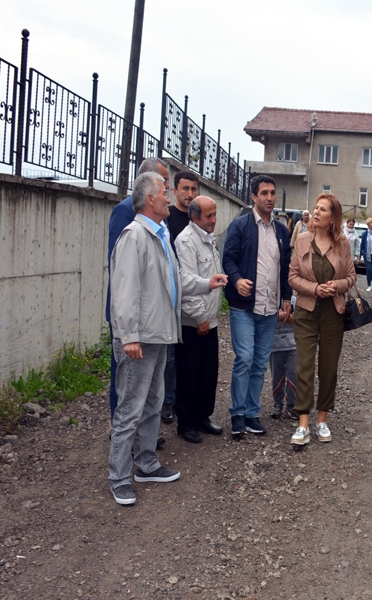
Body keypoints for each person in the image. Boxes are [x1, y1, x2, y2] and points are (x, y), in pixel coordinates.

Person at [109, 172, 227, 505]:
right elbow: (124, 291)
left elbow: (177, 281)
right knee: (130, 409)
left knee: (151, 404)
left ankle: (146, 463)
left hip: (159, 335)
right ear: (149, 199)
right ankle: (119, 477)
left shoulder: (158, 234)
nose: (169, 196)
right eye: (163, 191)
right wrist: (129, 335)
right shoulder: (134, 237)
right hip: (140, 340)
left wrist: (208, 282)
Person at [106, 157, 170, 450]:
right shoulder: (128, 219)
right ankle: (124, 455)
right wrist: (128, 332)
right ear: (148, 192)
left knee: (152, 396)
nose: (169, 190)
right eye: (164, 184)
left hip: (152, 324)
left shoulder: (159, 225)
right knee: (130, 394)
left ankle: (145, 453)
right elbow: (126, 279)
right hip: (134, 324)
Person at [223, 175, 292, 436]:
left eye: (273, 192)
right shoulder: (240, 226)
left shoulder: (281, 231)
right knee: (244, 359)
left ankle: (252, 413)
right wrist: (238, 280)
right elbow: (228, 259)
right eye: (264, 193)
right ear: (254, 197)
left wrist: (286, 299)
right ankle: (237, 414)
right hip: (244, 307)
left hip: (270, 308)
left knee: (260, 362)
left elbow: (285, 269)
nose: (270, 198)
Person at [288, 193, 356, 445]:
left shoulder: (343, 244)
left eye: (322, 210)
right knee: (304, 366)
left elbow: (351, 277)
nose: (316, 213)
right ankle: (303, 424)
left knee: (328, 368)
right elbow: (293, 277)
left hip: (333, 315)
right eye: (315, 208)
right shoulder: (302, 240)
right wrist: (315, 289)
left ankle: (322, 420)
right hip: (306, 311)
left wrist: (336, 285)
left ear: (332, 217)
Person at [173, 196, 224, 444]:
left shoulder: (208, 238)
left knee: (208, 372)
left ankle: (202, 416)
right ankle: (185, 423)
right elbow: (186, 284)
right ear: (195, 217)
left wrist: (209, 318)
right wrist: (200, 317)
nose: (214, 220)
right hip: (193, 322)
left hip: (210, 320)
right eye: (209, 216)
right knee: (189, 373)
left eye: (215, 215)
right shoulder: (185, 241)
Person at [160, 169, 199, 424]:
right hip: (170, 296)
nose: (189, 194)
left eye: (194, 189)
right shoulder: (167, 219)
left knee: (190, 354)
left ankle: (186, 402)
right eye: (185, 189)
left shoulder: (198, 219)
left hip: (194, 296)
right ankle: (167, 402)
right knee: (169, 354)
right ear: (174, 191)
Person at [269, 294, 298, 421]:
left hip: (293, 344)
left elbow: (301, 319)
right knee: (276, 375)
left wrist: (290, 317)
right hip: (275, 346)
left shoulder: (294, 300)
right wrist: (277, 316)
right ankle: (277, 404)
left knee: (293, 374)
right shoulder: (269, 300)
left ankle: (292, 405)